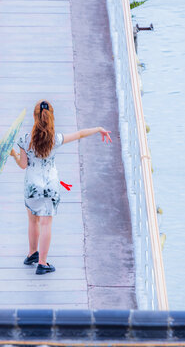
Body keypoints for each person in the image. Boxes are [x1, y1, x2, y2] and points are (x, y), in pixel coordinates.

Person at [9, 100, 112, 275]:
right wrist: (98, 129)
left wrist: (13, 154)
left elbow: (23, 165)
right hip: (50, 187)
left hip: (31, 187)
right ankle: (42, 262)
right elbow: (79, 134)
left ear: (34, 117)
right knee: (46, 223)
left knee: (33, 220)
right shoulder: (55, 139)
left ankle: (32, 253)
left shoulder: (25, 140)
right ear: (51, 118)